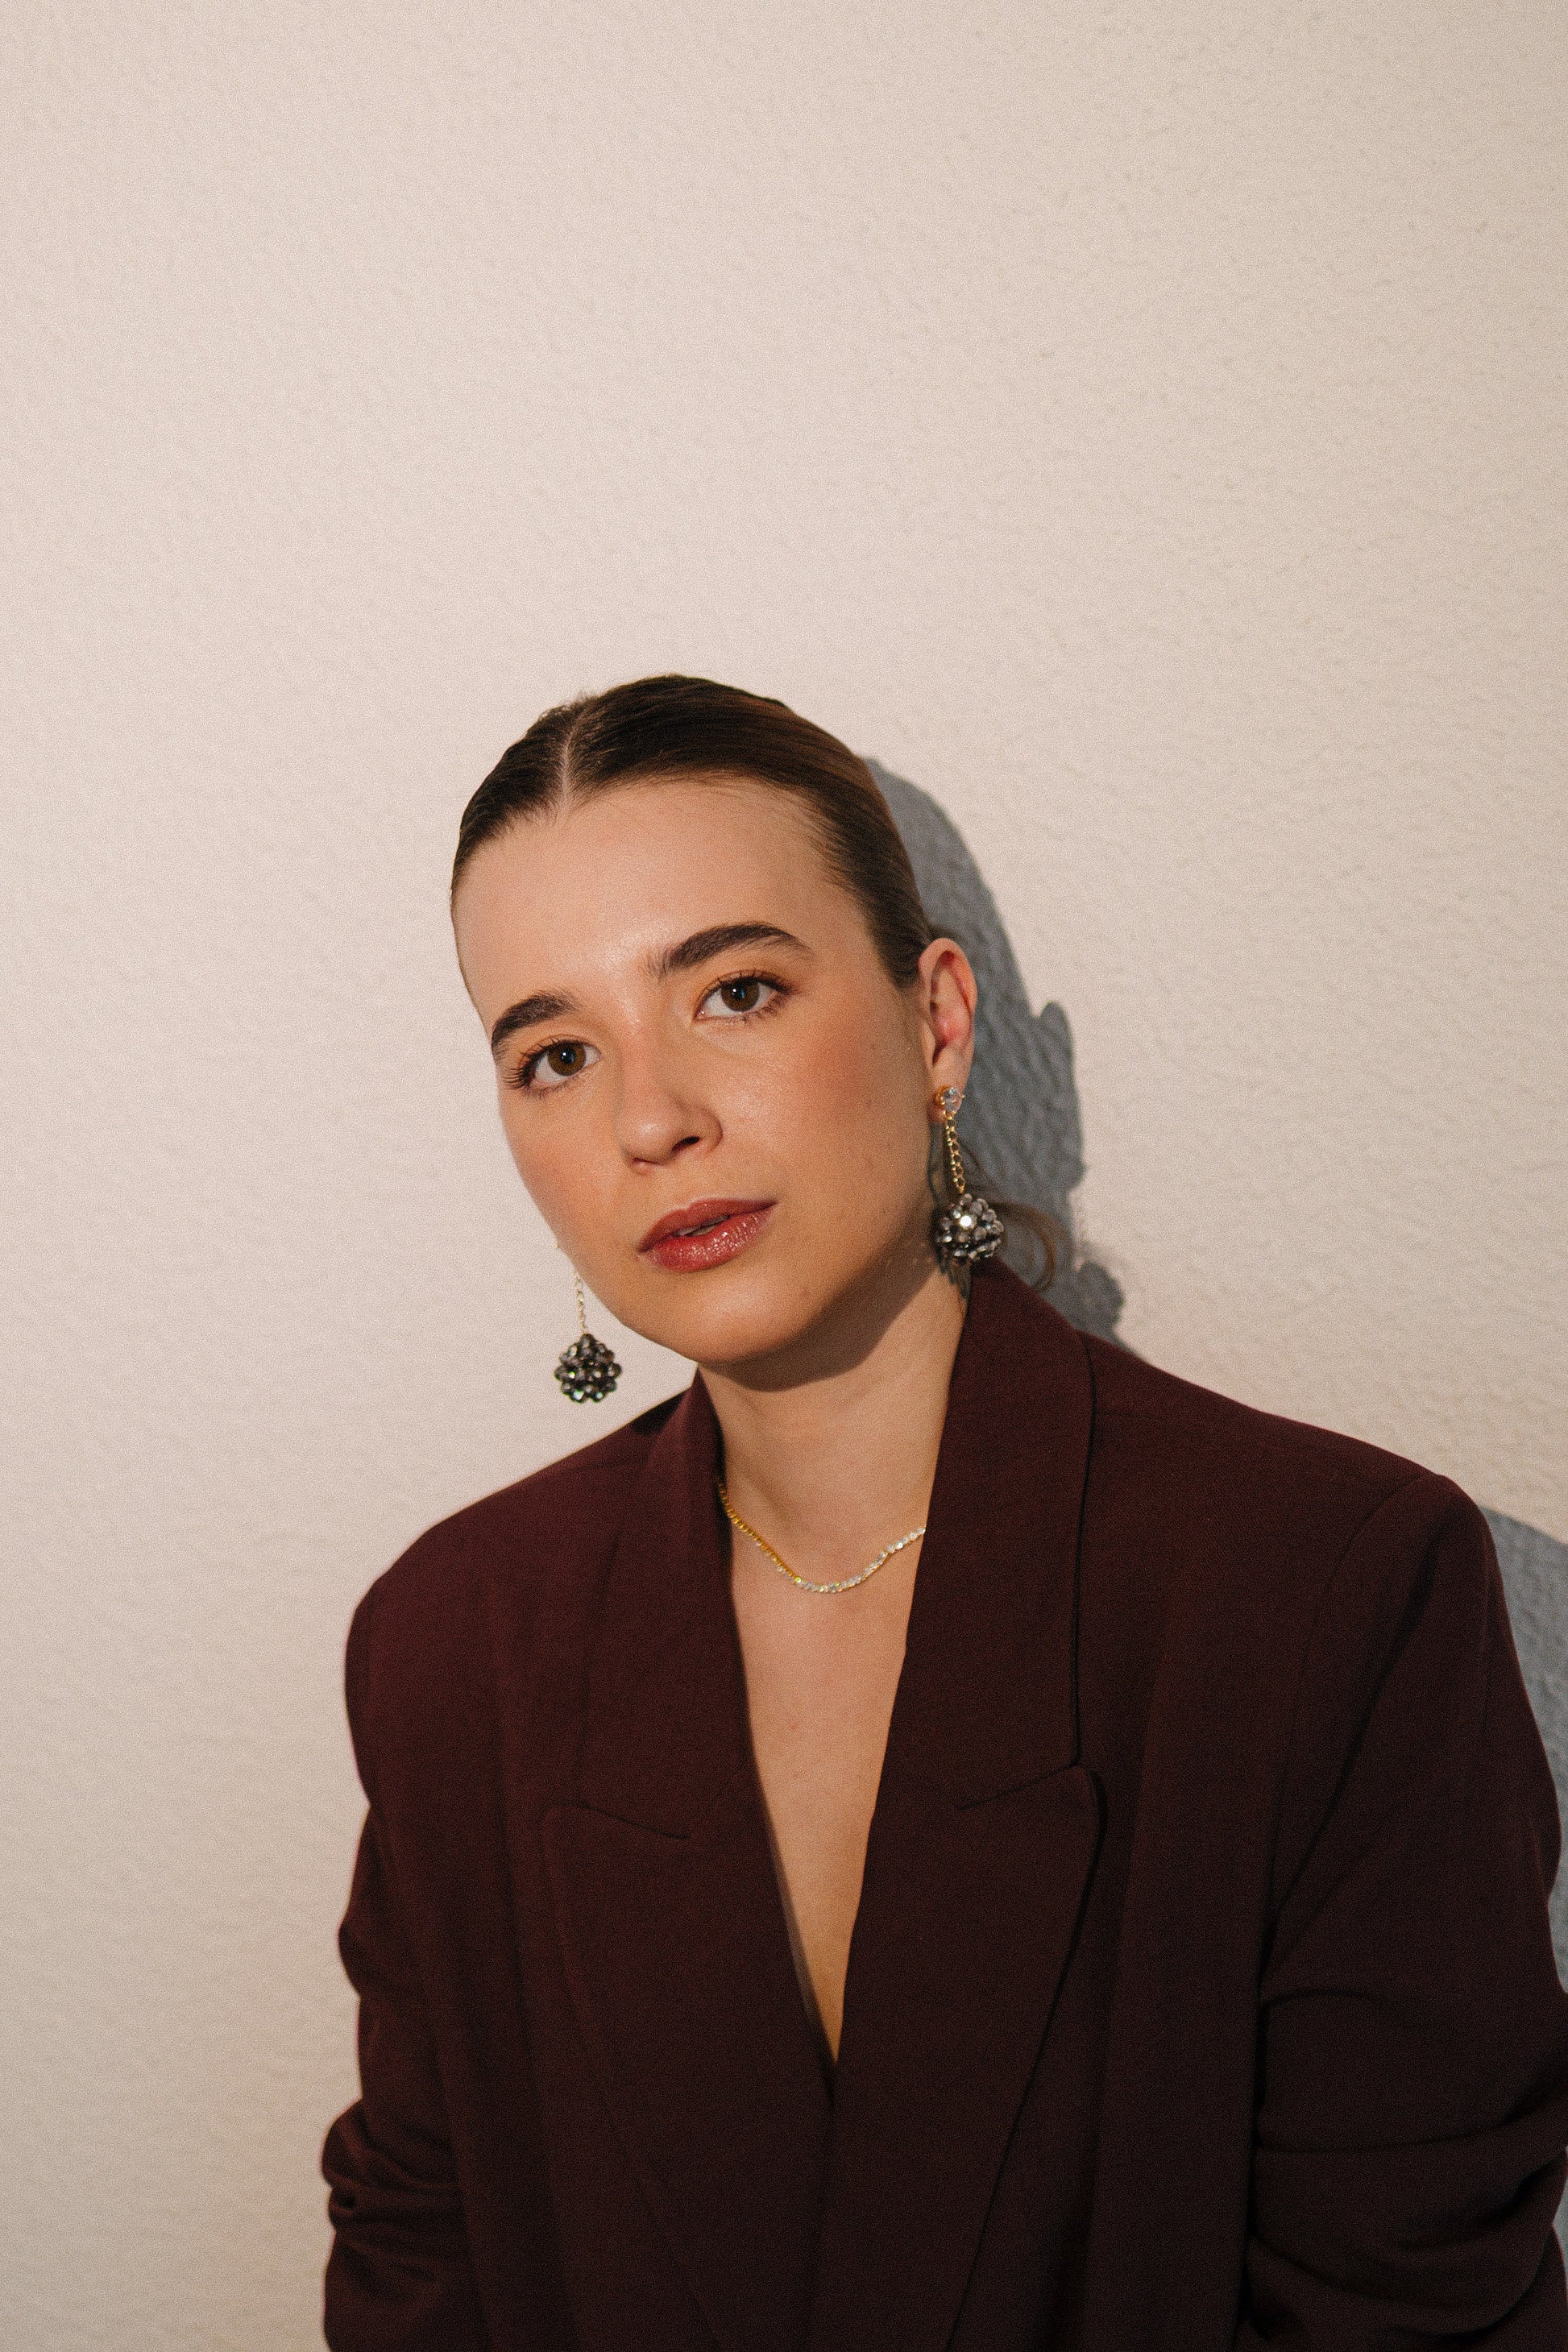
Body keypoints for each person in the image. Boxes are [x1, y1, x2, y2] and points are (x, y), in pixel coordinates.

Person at [321, 675, 1568, 2351]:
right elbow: (420, 2275)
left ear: (936, 1023)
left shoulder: (1322, 1591)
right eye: (555, 1054)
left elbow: (1411, 2303)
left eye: (735, 991)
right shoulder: (452, 1638)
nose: (649, 1118)